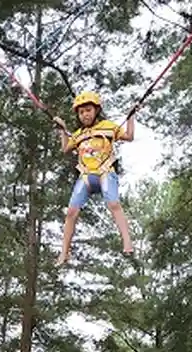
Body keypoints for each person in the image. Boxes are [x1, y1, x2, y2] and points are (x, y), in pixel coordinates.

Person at [52, 91, 135, 265]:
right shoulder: (78, 134)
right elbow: (66, 148)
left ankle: (127, 241)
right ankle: (64, 253)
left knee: (113, 204)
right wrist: (62, 129)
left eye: (88, 110)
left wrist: (130, 116)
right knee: (71, 212)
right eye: (81, 112)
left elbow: (129, 136)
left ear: (96, 110)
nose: (85, 115)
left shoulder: (108, 127)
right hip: (86, 176)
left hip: (105, 172)